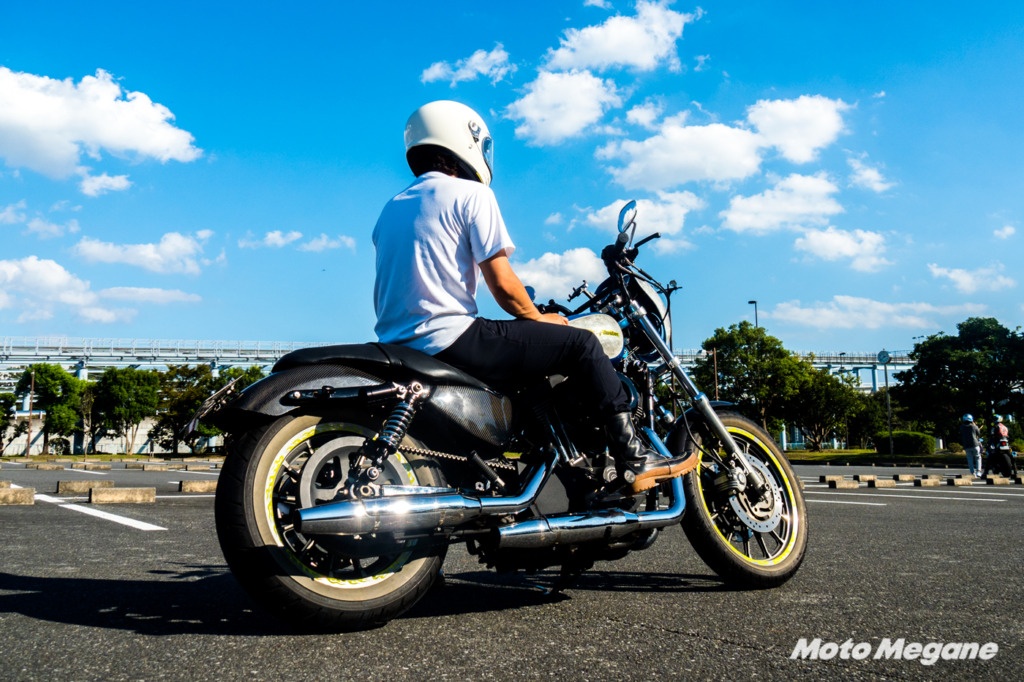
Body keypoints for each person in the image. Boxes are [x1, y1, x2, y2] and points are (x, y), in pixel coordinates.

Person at [371, 100, 697, 492]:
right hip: (450, 337)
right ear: (466, 139)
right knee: (581, 343)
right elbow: (503, 284)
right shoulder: (470, 195)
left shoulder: (392, 208)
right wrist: (539, 318)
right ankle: (634, 457)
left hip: (401, 345)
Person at [959, 413, 982, 478]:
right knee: (978, 457)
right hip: (975, 444)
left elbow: (960, 435)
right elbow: (978, 433)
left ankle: (972, 472)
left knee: (970, 459)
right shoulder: (973, 426)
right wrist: (975, 425)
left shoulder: (962, 427)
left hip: (966, 445)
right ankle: (978, 471)